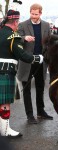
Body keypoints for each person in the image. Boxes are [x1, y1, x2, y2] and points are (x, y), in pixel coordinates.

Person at [0, 9, 43, 137]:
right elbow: (22, 55)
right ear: (16, 21)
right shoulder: (13, 36)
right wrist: (38, 58)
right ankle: (5, 130)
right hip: (6, 72)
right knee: (5, 103)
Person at [17, 3, 53, 124]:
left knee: (40, 87)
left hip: (41, 61)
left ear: (40, 13)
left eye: (36, 14)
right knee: (26, 88)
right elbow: (16, 38)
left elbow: (49, 42)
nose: (33, 16)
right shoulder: (22, 25)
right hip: (27, 61)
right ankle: (30, 115)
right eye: (32, 13)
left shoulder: (46, 25)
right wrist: (24, 38)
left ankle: (41, 112)